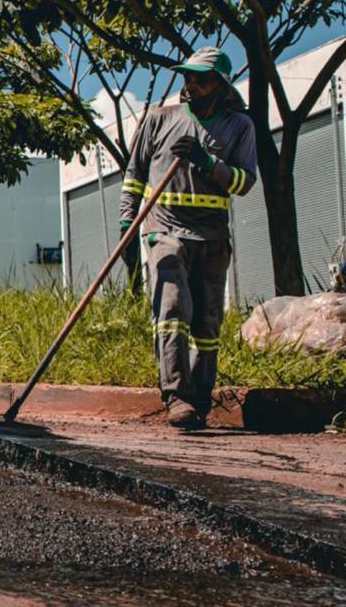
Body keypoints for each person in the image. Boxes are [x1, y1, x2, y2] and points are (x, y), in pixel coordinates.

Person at [119, 47, 257, 431]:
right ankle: (176, 395)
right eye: (188, 77)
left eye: (201, 79)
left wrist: (208, 162)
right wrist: (128, 221)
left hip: (211, 236)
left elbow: (246, 182)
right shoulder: (159, 120)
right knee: (173, 308)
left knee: (207, 321)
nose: (191, 84)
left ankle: (199, 397)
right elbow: (134, 175)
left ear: (221, 86)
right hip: (164, 229)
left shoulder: (239, 127)